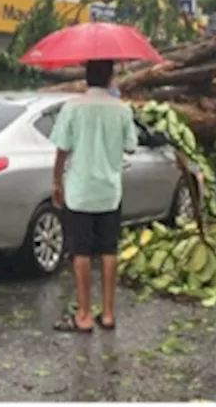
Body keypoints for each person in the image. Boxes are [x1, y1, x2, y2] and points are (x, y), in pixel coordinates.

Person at [49, 59, 138, 333]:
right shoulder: (122, 110)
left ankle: (85, 314)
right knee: (109, 249)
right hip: (110, 190)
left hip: (80, 190)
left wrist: (56, 183)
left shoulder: (72, 108)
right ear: (110, 77)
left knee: (81, 251)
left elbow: (62, 149)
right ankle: (108, 314)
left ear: (85, 78)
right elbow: (131, 146)